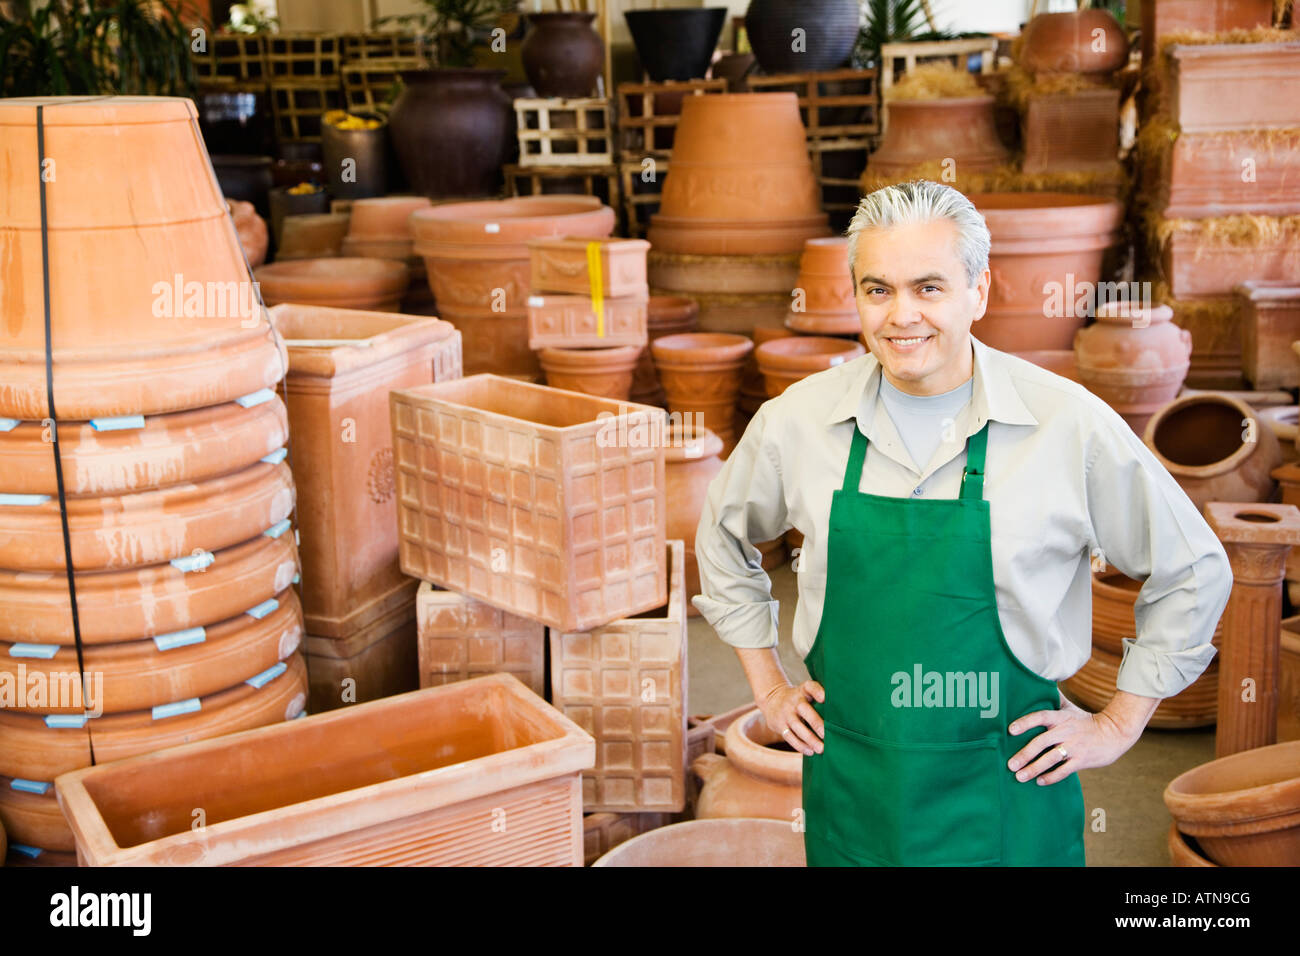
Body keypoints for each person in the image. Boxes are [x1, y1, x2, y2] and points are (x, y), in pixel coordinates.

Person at [692, 180, 1232, 867]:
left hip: (1008, 802)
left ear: (980, 291)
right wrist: (767, 684)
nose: (901, 315)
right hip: (857, 799)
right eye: (877, 289)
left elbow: (1192, 568)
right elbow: (721, 534)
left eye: (929, 288)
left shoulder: (1065, 424)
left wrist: (1119, 723)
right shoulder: (797, 423)